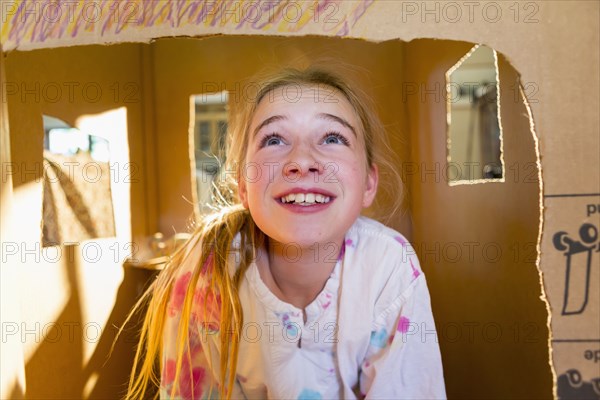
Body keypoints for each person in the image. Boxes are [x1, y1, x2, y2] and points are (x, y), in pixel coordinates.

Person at [125, 66, 446, 399]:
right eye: (274, 139)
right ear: (243, 187)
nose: (302, 160)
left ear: (368, 183)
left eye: (332, 138)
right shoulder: (209, 266)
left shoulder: (387, 264)